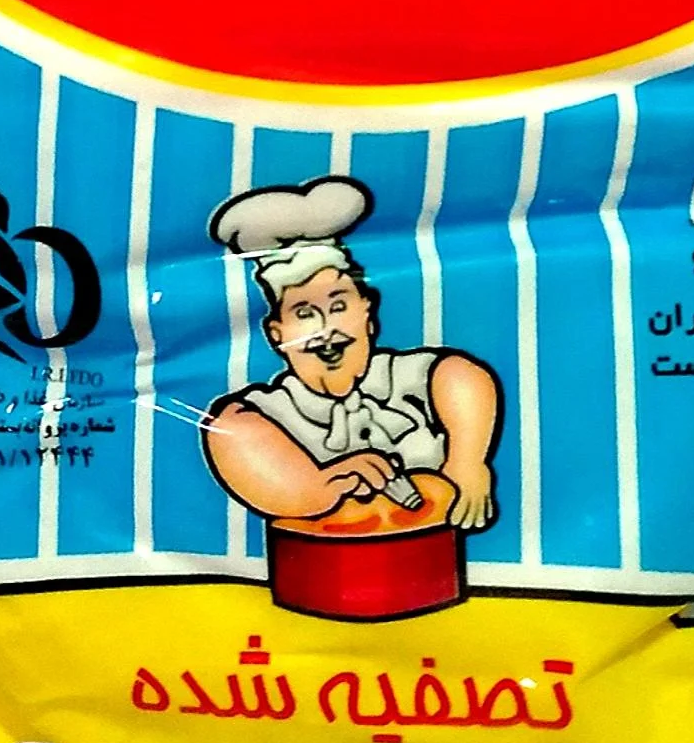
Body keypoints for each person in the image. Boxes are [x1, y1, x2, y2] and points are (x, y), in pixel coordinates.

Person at [203, 176, 499, 530]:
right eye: (304, 313)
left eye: (339, 306)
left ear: (368, 316)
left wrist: (468, 461)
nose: (326, 328)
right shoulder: (273, 411)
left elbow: (461, 375)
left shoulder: (399, 377)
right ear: (276, 335)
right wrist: (321, 487)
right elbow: (230, 432)